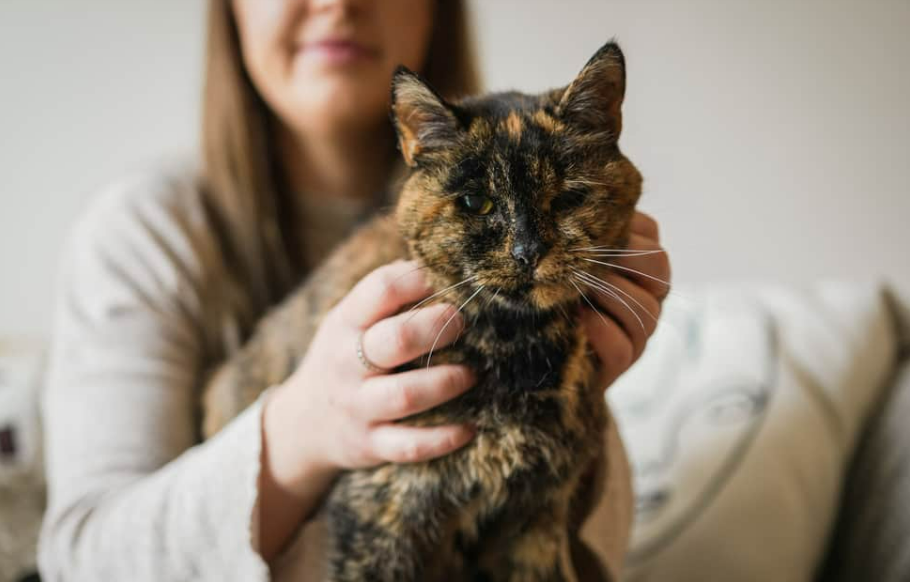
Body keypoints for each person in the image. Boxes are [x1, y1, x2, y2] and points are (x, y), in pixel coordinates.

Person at [38, 0, 671, 580]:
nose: (337, 4)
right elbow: (80, 560)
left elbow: (564, 547)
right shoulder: (145, 233)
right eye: (475, 204)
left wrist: (580, 405)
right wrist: (299, 431)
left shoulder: (561, 214)